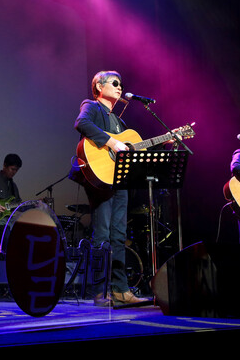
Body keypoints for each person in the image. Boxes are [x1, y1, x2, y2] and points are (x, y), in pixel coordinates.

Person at [72, 70, 147, 307]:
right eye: (114, 83)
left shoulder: (120, 121)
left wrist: (163, 141)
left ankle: (121, 290)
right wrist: (112, 141)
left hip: (120, 181)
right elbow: (81, 123)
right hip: (101, 179)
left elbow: (130, 148)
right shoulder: (91, 106)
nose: (119, 87)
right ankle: (99, 290)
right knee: (102, 235)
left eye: (120, 84)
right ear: (99, 86)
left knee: (119, 236)